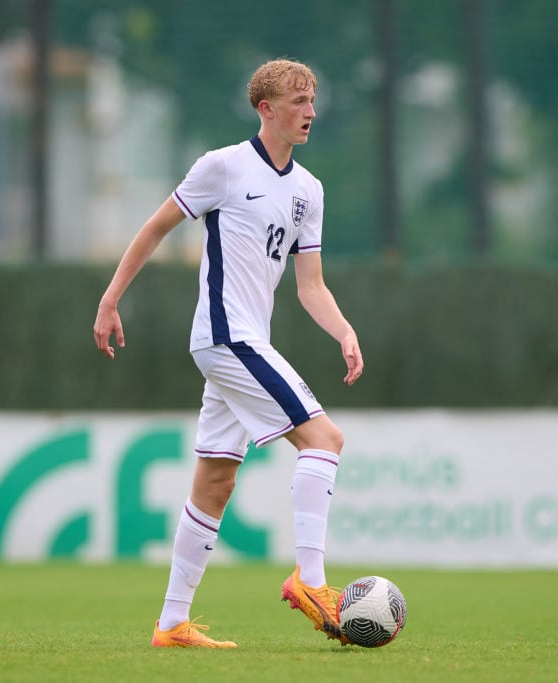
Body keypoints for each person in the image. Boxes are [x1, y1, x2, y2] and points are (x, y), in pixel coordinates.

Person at [93, 58, 363, 649]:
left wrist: (342, 330)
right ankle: (312, 581)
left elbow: (310, 285)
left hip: (245, 342)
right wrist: (111, 299)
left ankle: (171, 625)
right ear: (265, 109)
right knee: (326, 440)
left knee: (215, 481)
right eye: (298, 101)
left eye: (313, 99)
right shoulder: (223, 167)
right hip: (226, 336)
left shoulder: (309, 190)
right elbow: (155, 227)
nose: (310, 111)